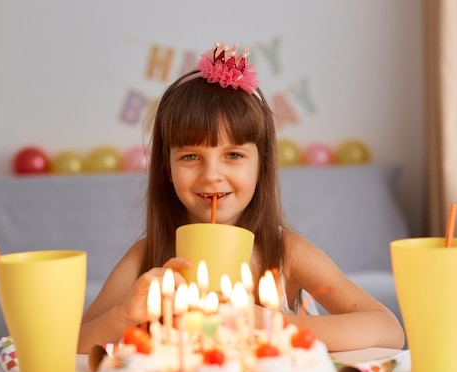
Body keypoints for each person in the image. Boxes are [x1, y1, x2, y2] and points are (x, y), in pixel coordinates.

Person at [78, 42, 404, 354]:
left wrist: (271, 323)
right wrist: (123, 317)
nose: (211, 175)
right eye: (191, 157)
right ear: (167, 168)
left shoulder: (285, 252)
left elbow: (388, 330)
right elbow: (72, 343)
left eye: (233, 155)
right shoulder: (146, 257)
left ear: (261, 163)